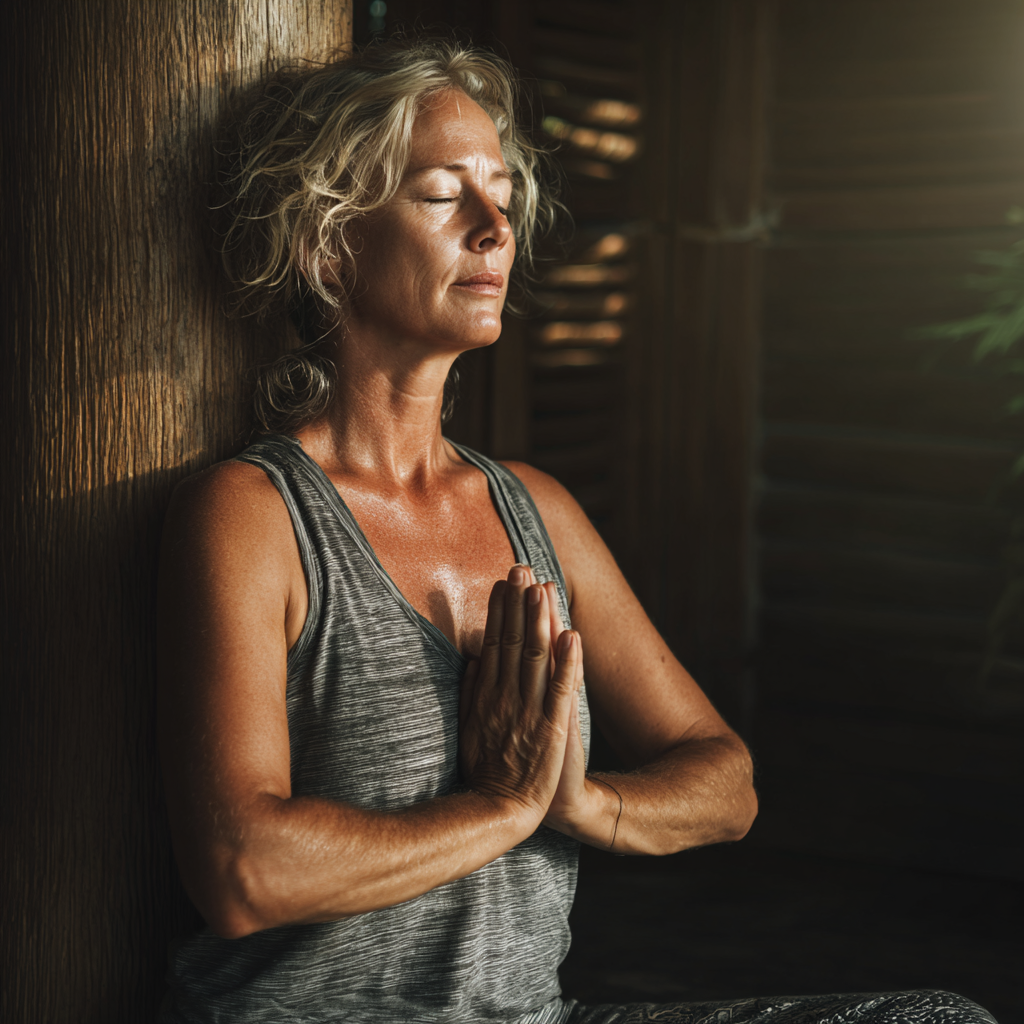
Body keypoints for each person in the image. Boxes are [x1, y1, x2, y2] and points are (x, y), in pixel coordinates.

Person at [156, 38, 995, 1024]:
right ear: (330, 243)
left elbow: (723, 782)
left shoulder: (534, 509)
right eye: (441, 196)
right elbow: (243, 869)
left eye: (501, 197)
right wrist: (498, 808)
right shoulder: (255, 515)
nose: (493, 227)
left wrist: (574, 804)